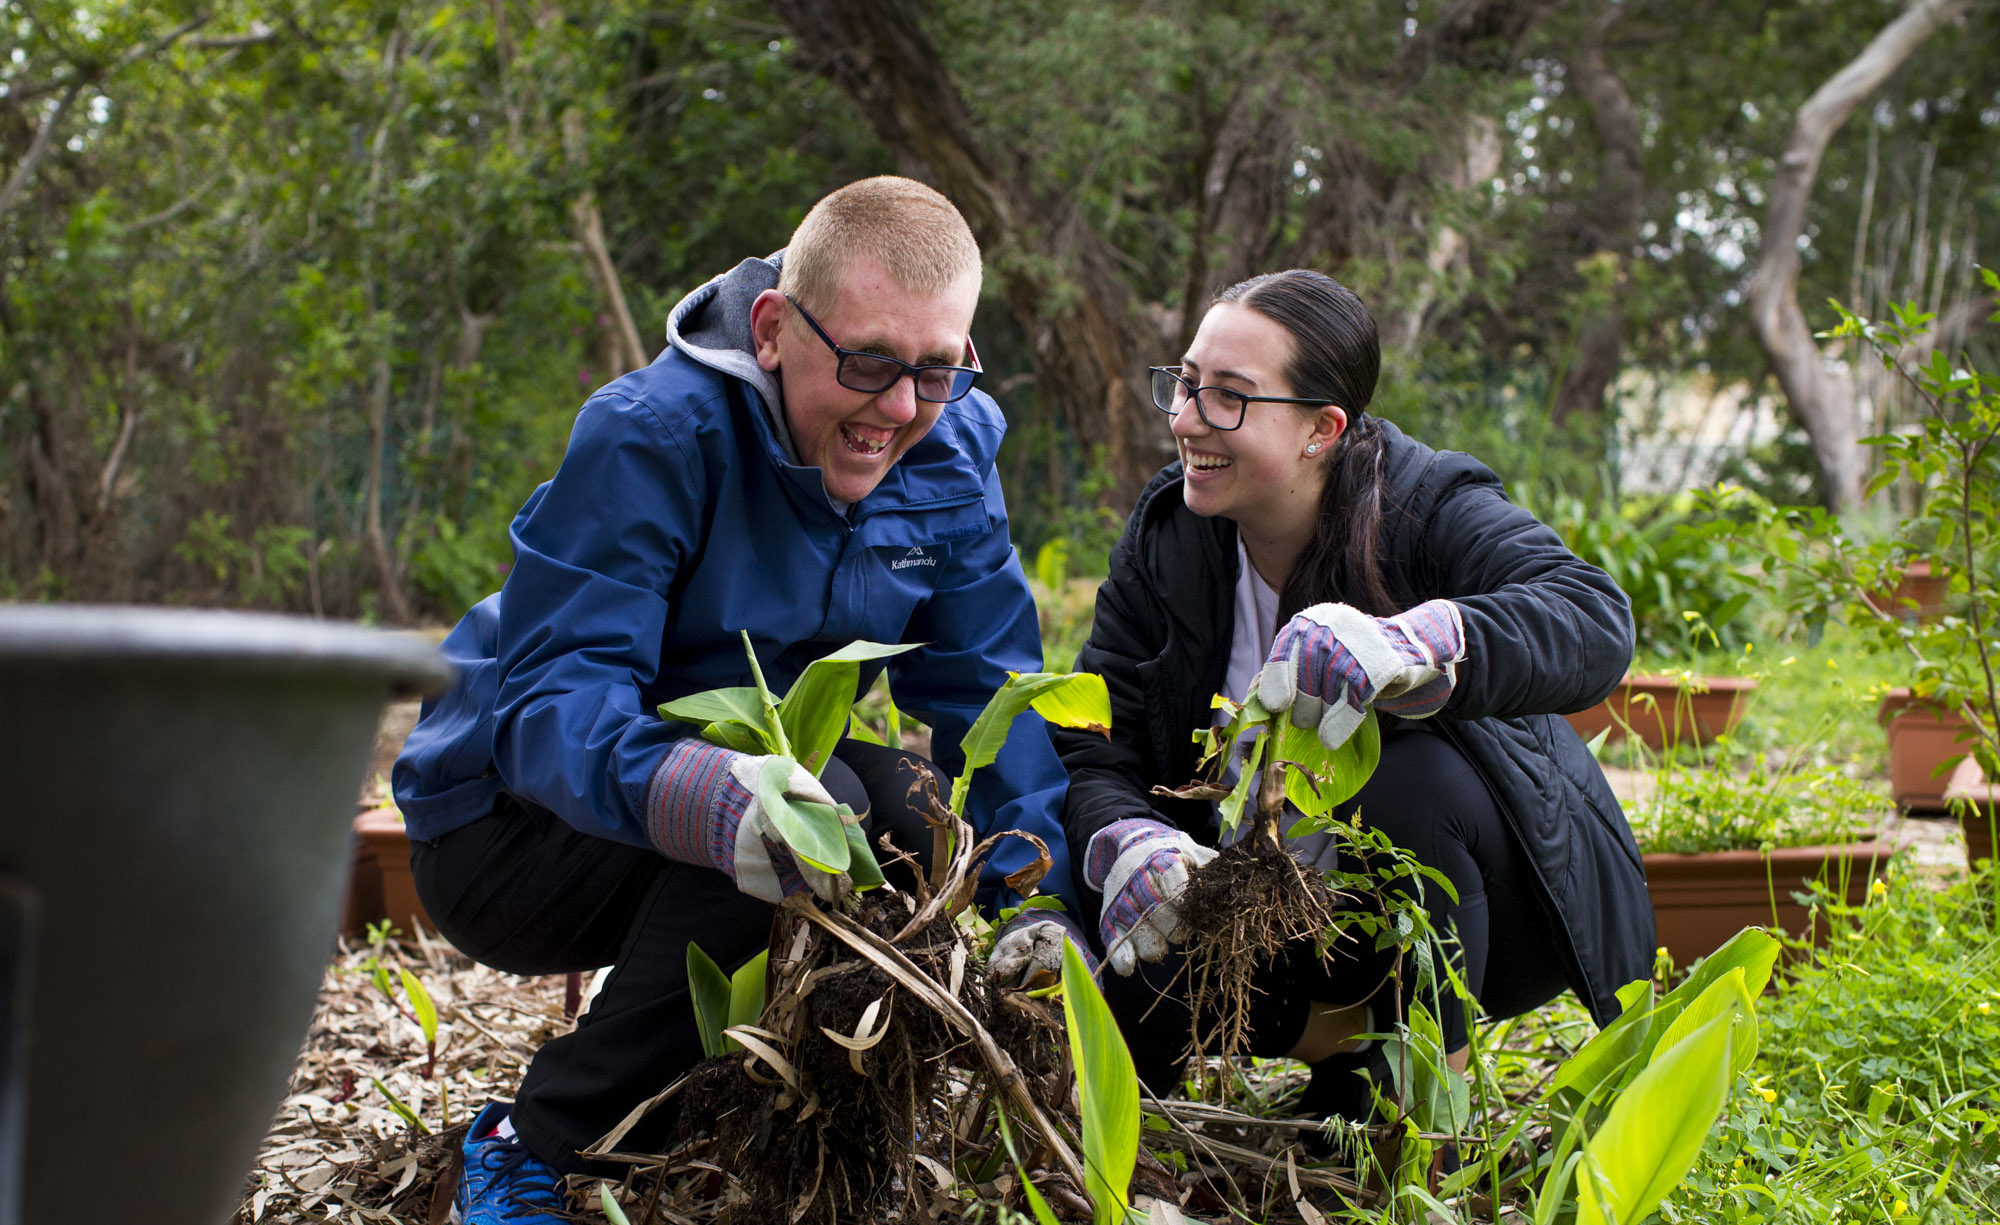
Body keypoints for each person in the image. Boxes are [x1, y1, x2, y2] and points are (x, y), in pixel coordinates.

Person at [391, 177, 1086, 1223]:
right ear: (771, 330)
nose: (897, 409)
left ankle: (807, 1123)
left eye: (935, 369)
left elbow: (988, 684)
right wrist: (703, 795)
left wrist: (1034, 895)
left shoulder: (948, 445)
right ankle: (537, 1142)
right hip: (507, 829)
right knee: (818, 801)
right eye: (865, 363)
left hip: (736, 791)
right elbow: (551, 704)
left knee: (905, 809)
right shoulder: (653, 435)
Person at [1055, 269, 1655, 1124]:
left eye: (1229, 398)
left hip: (1489, 908)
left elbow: (1591, 618)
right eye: (1185, 384)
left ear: (1322, 429)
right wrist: (1127, 838)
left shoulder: (1422, 502)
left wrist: (1417, 641)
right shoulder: (1169, 537)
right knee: (1111, 933)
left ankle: (1423, 1119)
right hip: (1273, 908)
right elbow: (1095, 742)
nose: (1187, 420)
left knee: (1407, 778)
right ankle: (1339, 1044)